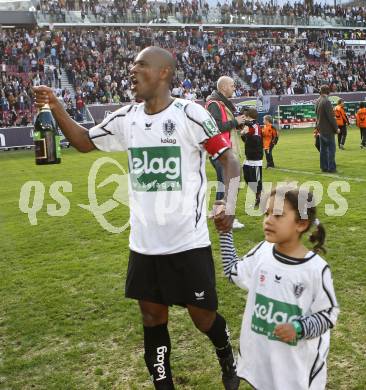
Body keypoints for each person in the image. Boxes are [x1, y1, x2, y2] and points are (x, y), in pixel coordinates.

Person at [33, 46, 241, 390]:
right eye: (132, 65)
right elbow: (85, 142)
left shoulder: (190, 114)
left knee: (203, 318)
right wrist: (56, 106)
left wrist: (228, 204)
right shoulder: (126, 118)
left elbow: (229, 160)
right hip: (144, 246)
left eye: (141, 65)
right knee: (152, 317)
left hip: (188, 243)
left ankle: (226, 357)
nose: (133, 71)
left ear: (163, 73)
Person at [213, 185, 339, 390]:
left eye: (278, 214)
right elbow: (232, 271)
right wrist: (225, 231)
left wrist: (299, 328)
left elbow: (328, 314)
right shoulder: (264, 251)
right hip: (266, 361)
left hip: (298, 369)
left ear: (301, 224)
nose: (268, 220)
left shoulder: (315, 270)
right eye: (266, 213)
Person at [205, 76, 246, 229]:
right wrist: (236, 122)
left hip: (221, 150)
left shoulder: (218, 103)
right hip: (220, 151)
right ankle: (227, 218)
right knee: (229, 185)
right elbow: (216, 127)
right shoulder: (214, 104)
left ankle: (217, 213)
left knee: (223, 185)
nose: (234, 88)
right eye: (232, 85)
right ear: (223, 88)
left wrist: (237, 125)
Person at [240, 107, 263, 207]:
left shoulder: (255, 125)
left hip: (256, 157)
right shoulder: (248, 125)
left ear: (249, 115)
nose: (243, 117)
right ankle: (259, 196)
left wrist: (247, 134)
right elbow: (246, 140)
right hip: (248, 156)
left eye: (245, 115)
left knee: (256, 179)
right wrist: (243, 135)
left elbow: (257, 140)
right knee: (247, 176)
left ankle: (260, 198)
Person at [315, 85, 340, 173]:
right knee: (331, 149)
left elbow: (317, 116)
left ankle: (324, 167)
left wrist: (317, 127)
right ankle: (331, 168)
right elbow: (331, 117)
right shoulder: (327, 101)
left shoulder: (318, 101)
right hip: (328, 130)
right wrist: (336, 128)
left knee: (323, 150)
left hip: (321, 129)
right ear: (328, 91)